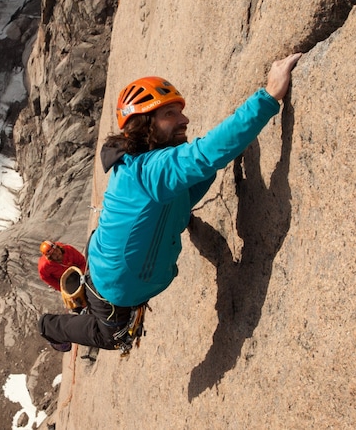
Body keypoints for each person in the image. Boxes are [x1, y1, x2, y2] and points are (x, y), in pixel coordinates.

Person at [38, 53, 302, 353]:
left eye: (179, 112)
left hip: (112, 268)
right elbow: (204, 156)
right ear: (144, 124)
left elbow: (190, 182)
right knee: (110, 337)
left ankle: (83, 301)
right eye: (170, 114)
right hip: (113, 287)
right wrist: (268, 97)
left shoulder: (143, 166)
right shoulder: (151, 170)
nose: (184, 119)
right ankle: (48, 327)